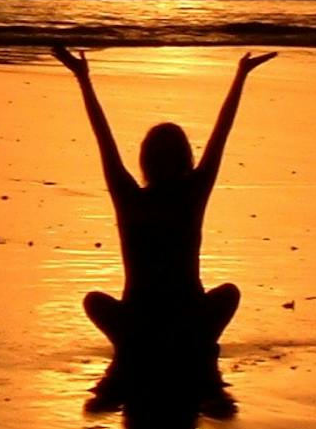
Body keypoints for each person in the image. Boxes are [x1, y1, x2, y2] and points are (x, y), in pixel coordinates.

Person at [52, 44, 274, 368]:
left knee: (95, 302)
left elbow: (104, 138)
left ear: (146, 159)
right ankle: (185, 343)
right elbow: (220, 135)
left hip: (139, 323)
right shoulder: (191, 193)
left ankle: (145, 344)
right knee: (228, 294)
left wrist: (83, 78)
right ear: (186, 158)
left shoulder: (132, 198)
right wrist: (239, 77)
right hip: (187, 320)